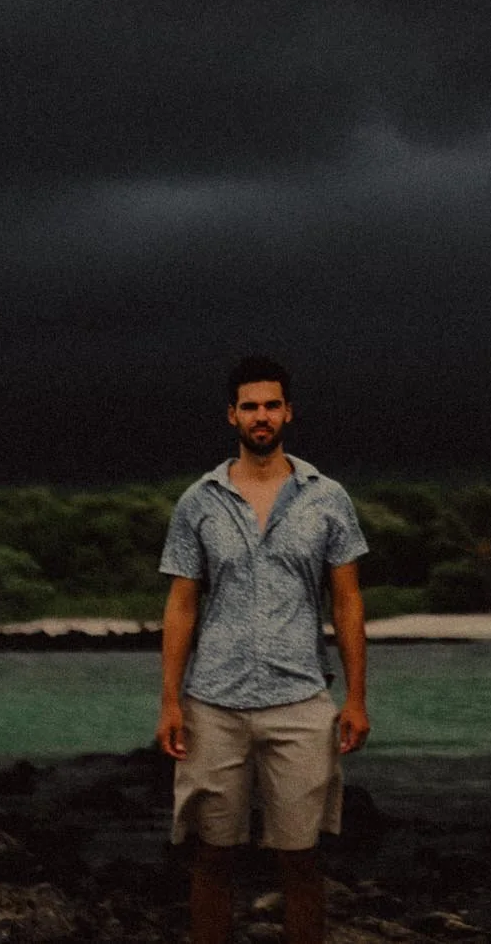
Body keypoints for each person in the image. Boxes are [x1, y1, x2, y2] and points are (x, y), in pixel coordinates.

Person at [158, 356, 371, 944]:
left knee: (301, 860)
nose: (261, 416)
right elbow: (181, 605)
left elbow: (347, 602)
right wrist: (169, 701)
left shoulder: (327, 497)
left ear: (288, 413)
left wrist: (356, 698)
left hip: (301, 699)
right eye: (249, 406)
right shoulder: (198, 502)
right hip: (212, 705)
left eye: (271, 405)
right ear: (232, 415)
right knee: (211, 858)